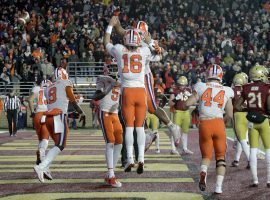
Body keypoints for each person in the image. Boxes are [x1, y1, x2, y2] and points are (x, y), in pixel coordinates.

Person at [114, 19, 181, 147]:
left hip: (143, 76)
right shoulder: (131, 36)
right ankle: (146, 134)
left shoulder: (148, 44)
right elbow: (121, 31)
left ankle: (172, 127)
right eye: (137, 32)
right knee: (132, 108)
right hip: (130, 78)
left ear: (146, 34)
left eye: (141, 33)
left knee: (150, 106)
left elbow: (161, 54)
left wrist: (151, 43)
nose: (137, 35)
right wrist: (115, 22)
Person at [104, 18, 150, 174]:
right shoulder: (144, 51)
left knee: (129, 127)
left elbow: (106, 43)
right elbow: (155, 50)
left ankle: (130, 158)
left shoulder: (118, 49)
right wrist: (151, 41)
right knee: (140, 127)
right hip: (140, 92)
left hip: (127, 93)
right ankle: (142, 158)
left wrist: (110, 26)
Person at [185, 64, 234, 194]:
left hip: (204, 124)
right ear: (220, 76)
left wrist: (189, 103)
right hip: (218, 123)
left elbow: (187, 103)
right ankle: (218, 187)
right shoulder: (227, 90)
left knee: (206, 156)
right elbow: (229, 114)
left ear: (207, 75)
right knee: (220, 157)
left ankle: (204, 170)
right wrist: (222, 123)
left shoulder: (201, 86)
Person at [33, 68, 85, 183]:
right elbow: (71, 99)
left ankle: (45, 167)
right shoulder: (66, 82)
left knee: (57, 144)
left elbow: (59, 103)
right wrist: (81, 112)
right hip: (58, 116)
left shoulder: (49, 88)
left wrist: (70, 114)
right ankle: (41, 166)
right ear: (64, 74)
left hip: (49, 117)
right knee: (60, 145)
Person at [235, 65, 270, 187]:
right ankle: (269, 180)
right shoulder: (266, 87)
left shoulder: (246, 88)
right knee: (268, 150)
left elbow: (237, 106)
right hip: (264, 120)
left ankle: (255, 180)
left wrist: (248, 108)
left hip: (251, 121)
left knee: (253, 151)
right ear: (261, 75)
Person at [91, 72, 123, 188]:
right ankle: (111, 174)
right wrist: (110, 85)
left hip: (115, 114)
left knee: (119, 143)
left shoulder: (122, 79)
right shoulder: (102, 79)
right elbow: (96, 97)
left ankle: (110, 174)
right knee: (110, 143)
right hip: (105, 112)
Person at [27, 75, 52, 180]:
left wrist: (32, 112)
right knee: (45, 141)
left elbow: (29, 100)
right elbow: (30, 99)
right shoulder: (47, 89)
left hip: (37, 115)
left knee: (41, 140)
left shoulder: (37, 88)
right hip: (45, 114)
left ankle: (40, 161)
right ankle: (43, 166)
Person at [169, 76, 193, 155]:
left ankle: (185, 148)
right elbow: (170, 103)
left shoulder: (189, 90)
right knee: (175, 131)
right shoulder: (175, 90)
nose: (182, 86)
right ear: (178, 84)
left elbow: (193, 101)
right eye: (180, 85)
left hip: (186, 112)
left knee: (185, 131)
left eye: (184, 85)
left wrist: (190, 96)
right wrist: (176, 98)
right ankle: (173, 148)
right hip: (178, 112)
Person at [231, 73, 250, 168]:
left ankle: (250, 159)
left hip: (238, 115)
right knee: (240, 138)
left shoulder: (232, 90)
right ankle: (236, 159)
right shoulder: (247, 90)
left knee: (242, 139)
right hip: (247, 115)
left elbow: (230, 105)